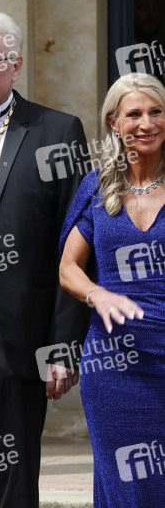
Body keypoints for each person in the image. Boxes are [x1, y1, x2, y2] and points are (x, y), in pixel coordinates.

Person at [0, 10, 89, 508]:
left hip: (16, 329)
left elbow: (76, 246)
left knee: (14, 479)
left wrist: (64, 345)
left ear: (16, 66)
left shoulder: (58, 131)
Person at [60, 73, 165, 508]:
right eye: (134, 114)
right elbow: (69, 268)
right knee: (124, 483)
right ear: (113, 123)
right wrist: (97, 294)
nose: (147, 123)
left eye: (156, 111)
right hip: (113, 367)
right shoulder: (97, 186)